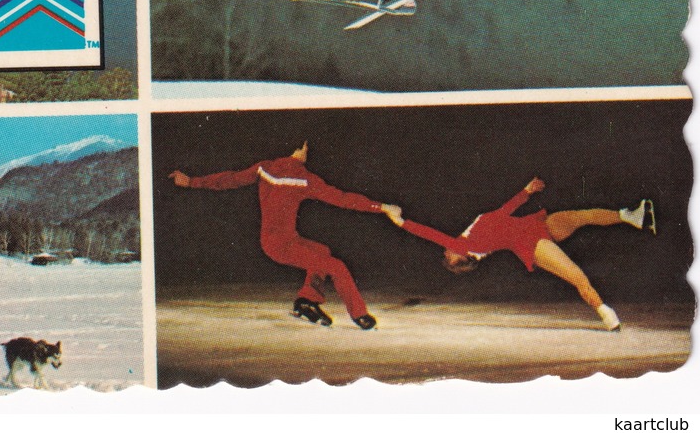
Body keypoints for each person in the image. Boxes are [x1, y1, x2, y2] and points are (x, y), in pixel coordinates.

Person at [170, 141, 401, 329]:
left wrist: (192, 181)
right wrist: (382, 207)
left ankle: (307, 301)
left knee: (321, 252)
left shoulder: (265, 168)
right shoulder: (305, 178)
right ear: (302, 150)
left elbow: (230, 179)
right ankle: (359, 315)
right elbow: (343, 199)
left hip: (274, 242)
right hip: (283, 246)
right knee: (337, 266)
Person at [392, 177, 657, 331]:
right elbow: (427, 233)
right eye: (447, 257)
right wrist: (400, 221)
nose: (445, 251)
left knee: (580, 216)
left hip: (534, 225)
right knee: (576, 275)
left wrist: (526, 192)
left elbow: (501, 212)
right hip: (529, 244)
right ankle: (606, 314)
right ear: (459, 259)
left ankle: (631, 216)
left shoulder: (467, 236)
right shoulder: (464, 245)